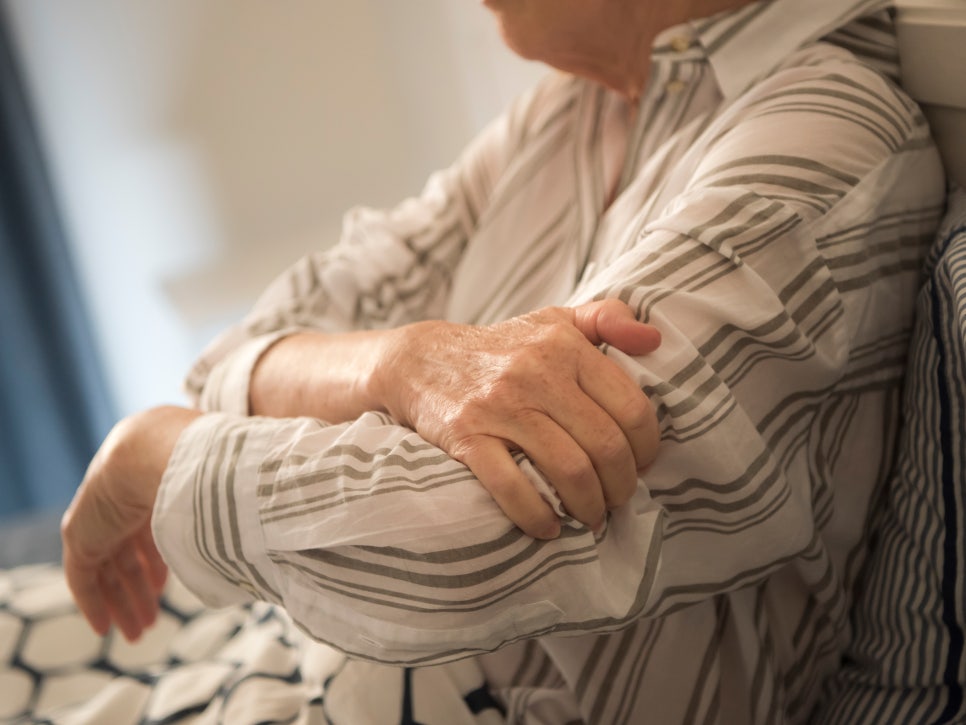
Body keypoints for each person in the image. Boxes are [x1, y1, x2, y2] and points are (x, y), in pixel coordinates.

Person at [59, 0, 947, 721]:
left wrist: (155, 454)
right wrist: (398, 363)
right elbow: (241, 352)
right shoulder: (576, 106)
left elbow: (470, 535)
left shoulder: (814, 151)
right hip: (289, 662)